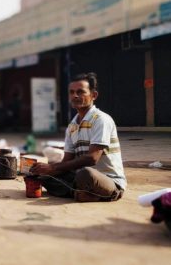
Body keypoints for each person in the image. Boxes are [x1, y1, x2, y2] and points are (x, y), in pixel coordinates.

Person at [30, 72, 126, 202]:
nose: (75, 95)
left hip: (107, 180)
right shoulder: (72, 126)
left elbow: (92, 158)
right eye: (71, 92)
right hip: (81, 178)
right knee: (43, 177)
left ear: (94, 95)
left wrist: (53, 168)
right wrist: (45, 170)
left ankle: (83, 192)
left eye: (80, 92)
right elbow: (67, 161)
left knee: (85, 173)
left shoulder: (101, 119)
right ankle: (80, 193)